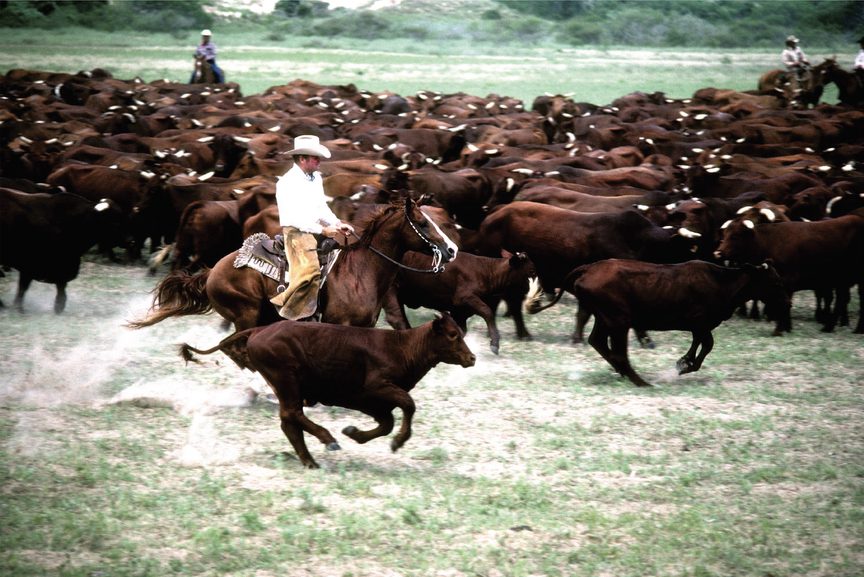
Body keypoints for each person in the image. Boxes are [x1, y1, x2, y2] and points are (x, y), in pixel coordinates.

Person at [269, 135, 355, 321]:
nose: (319, 161)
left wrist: (337, 223)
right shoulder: (286, 182)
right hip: (297, 232)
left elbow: (320, 207)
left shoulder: (315, 178)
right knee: (310, 271)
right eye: (315, 157)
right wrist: (323, 230)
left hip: (316, 227)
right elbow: (294, 217)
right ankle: (291, 314)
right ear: (302, 159)